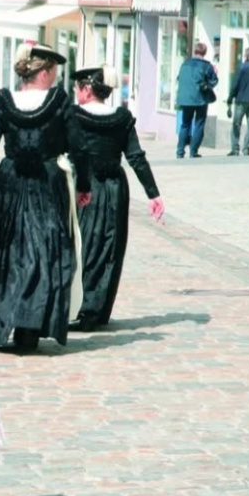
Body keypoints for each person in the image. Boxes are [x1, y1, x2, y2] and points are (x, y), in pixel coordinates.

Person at [0, 42, 92, 352]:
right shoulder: (59, 102)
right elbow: (79, 148)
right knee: (46, 250)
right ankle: (29, 325)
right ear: (45, 72)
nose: (56, 76)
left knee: (9, 251)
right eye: (55, 71)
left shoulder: (3, 102)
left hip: (11, 181)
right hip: (47, 181)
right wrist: (84, 185)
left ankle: (3, 323)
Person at [70, 65, 164, 332]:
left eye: (77, 88)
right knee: (109, 246)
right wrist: (153, 193)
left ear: (87, 90)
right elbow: (135, 156)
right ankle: (97, 310)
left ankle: (78, 306)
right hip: (114, 188)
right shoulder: (121, 118)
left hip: (83, 187)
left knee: (81, 244)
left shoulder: (74, 117)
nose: (76, 93)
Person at [174, 42, 218, 159]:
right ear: (205, 52)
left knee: (185, 124)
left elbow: (179, 78)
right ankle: (193, 152)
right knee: (199, 124)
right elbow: (214, 81)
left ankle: (180, 151)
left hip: (185, 98)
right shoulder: (206, 66)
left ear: (195, 51)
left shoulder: (185, 64)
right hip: (200, 99)